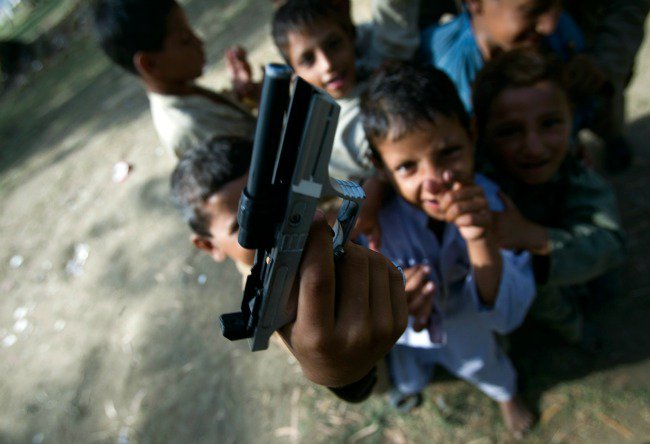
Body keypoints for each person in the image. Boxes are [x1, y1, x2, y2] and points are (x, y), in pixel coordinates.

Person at [360, 62, 536, 436]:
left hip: (465, 321)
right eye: (408, 167)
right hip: (406, 332)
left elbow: (508, 316)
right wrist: (391, 300)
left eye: (449, 153)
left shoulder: (494, 206)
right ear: (380, 168)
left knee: (483, 364)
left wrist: (479, 239)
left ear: (472, 133)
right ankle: (410, 386)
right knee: (408, 370)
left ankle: (506, 394)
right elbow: (359, 292)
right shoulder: (374, 224)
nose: (436, 181)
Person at [170, 136, 408, 401]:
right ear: (208, 245)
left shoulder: (316, 219)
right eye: (246, 225)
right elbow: (335, 363)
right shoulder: (270, 304)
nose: (277, 226)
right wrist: (350, 378)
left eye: (279, 204)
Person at [472, 49, 626, 347]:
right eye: (510, 131)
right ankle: (571, 329)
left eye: (550, 124)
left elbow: (612, 245)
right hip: (528, 289)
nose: (534, 147)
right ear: (480, 133)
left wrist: (533, 236)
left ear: (573, 119)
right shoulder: (478, 177)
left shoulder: (576, 173)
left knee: (602, 290)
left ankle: (578, 329)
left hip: (571, 269)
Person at [92, 0, 256, 158]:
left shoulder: (185, 90)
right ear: (149, 64)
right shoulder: (189, 129)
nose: (199, 42)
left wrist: (243, 94)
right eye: (184, 39)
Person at [418, 0, 585, 113]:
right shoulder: (443, 69)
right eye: (532, 11)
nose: (549, 27)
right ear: (475, 2)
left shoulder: (560, 34)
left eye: (557, 7)